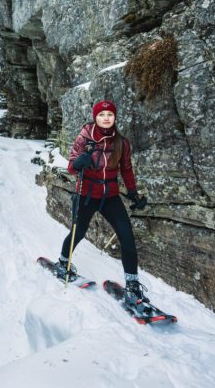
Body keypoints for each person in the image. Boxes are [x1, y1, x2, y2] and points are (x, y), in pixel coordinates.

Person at [56, 99, 148, 307]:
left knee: (127, 237)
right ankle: (63, 264)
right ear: (95, 117)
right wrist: (79, 163)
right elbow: (71, 166)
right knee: (77, 233)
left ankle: (132, 287)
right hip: (86, 194)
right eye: (101, 115)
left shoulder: (121, 143)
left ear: (114, 118)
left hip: (110, 196)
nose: (106, 118)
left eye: (109, 115)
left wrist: (133, 193)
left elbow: (126, 169)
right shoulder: (85, 137)